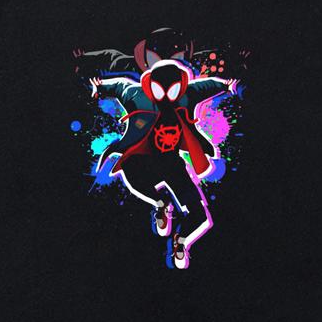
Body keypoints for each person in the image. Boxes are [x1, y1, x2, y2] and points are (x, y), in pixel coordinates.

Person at [91, 59, 238, 269]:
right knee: (130, 171)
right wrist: (100, 87)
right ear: (151, 86)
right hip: (142, 159)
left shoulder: (187, 95)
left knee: (200, 216)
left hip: (172, 164)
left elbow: (206, 86)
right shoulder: (137, 95)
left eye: (173, 91)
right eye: (161, 92)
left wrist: (226, 85)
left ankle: (180, 241)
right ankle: (161, 204)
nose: (167, 99)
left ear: (180, 87)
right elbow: (119, 86)